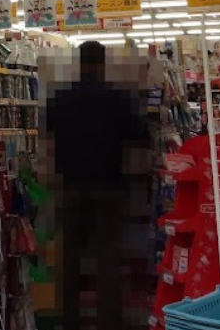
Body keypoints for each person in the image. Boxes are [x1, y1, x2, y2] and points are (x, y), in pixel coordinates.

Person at [47, 41, 149, 329]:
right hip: (108, 187)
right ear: (103, 64)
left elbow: (49, 136)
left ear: (79, 64)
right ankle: (109, 323)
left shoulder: (61, 98)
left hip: (71, 187)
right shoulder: (118, 98)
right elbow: (139, 135)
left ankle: (70, 321)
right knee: (108, 259)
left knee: (69, 259)